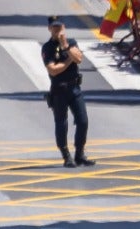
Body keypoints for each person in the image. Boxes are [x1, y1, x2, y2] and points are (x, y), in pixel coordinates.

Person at [42, 16, 94, 168]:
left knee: (83, 121)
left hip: (74, 88)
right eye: (54, 27)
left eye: (59, 27)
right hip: (59, 90)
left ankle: (79, 154)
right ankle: (66, 155)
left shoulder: (71, 43)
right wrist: (68, 60)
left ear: (63, 27)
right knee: (61, 124)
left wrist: (66, 48)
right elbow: (53, 70)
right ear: (50, 29)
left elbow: (78, 59)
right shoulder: (47, 47)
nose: (57, 30)